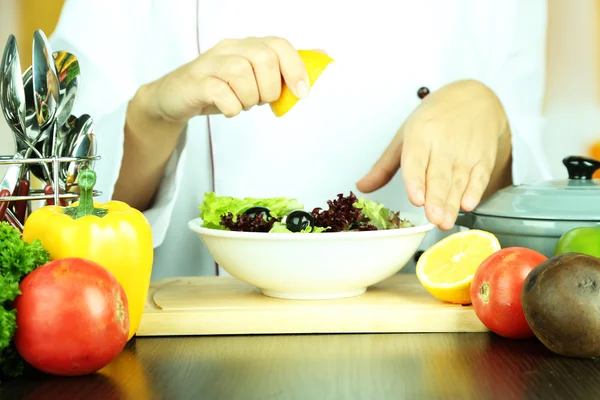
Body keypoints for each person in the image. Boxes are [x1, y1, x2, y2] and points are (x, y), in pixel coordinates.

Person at [49, 0, 552, 280]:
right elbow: (61, 198)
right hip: (193, 336)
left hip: (432, 340)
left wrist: (494, 120)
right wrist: (151, 113)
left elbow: (530, 213)